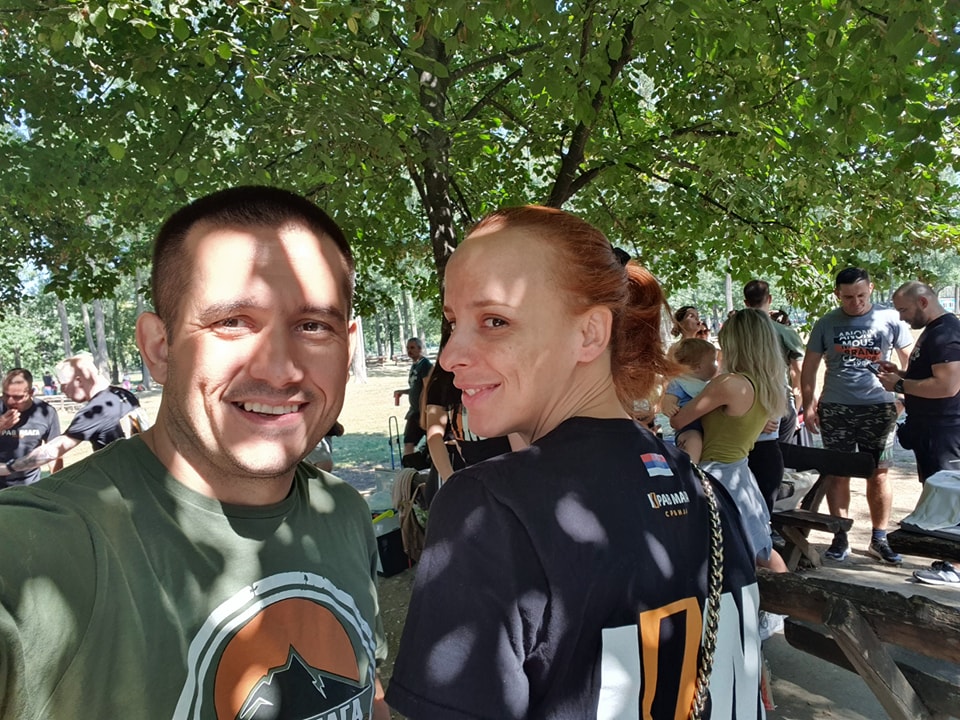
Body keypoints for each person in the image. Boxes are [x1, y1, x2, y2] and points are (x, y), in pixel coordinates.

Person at [0, 187, 389, 719]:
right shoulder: (43, 549)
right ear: (159, 348)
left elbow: (366, 691)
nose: (280, 369)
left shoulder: (341, 512)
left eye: (313, 326)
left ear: (349, 346)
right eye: (232, 322)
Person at [386, 206, 764, 719]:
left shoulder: (489, 508)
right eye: (453, 323)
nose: (450, 357)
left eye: (495, 321)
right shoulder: (707, 494)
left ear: (589, 334)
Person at [800, 267, 913, 565]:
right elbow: (809, 367)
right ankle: (841, 536)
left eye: (861, 295)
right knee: (838, 472)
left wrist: (903, 397)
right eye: (848, 297)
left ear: (871, 289)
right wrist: (809, 405)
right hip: (836, 407)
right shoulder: (826, 323)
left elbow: (910, 361)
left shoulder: (890, 319)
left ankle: (879, 538)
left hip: (879, 408)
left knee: (879, 472)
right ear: (837, 294)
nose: (856, 302)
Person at [671, 309, 789, 573]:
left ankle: (793, 596)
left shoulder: (728, 383)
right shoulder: (766, 383)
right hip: (740, 473)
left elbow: (678, 421)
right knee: (761, 551)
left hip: (716, 476)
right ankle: (792, 598)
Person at [0, 353, 144, 476]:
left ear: (79, 380)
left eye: (63, 384)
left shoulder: (96, 410)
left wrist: (8, 468)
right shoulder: (123, 395)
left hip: (124, 480)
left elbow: (53, 450)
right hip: (143, 472)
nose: (62, 390)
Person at [878, 281, 960, 482]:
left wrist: (898, 384)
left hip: (944, 433)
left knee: (944, 492)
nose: (901, 317)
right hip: (931, 431)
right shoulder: (935, 330)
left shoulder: (945, 334)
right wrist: (900, 373)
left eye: (903, 310)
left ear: (923, 302)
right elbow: (931, 375)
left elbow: (947, 386)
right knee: (934, 489)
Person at [743, 279, 806, 511]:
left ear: (745, 302)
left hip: (745, 401)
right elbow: (798, 374)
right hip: (779, 402)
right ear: (769, 299)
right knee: (777, 460)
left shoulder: (738, 331)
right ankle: (774, 513)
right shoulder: (784, 332)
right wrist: (797, 405)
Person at [0, 368, 62, 487]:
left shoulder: (46, 412)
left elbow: (55, 451)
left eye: (17, 397)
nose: (10, 401)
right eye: (6, 395)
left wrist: (57, 485)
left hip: (30, 484)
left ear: (31, 393)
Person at [661, 337, 718, 463]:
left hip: (708, 427)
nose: (716, 365)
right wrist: (669, 406)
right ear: (697, 367)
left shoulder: (709, 384)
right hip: (690, 426)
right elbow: (668, 399)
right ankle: (691, 469)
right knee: (693, 442)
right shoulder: (680, 382)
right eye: (713, 361)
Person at [393, 337, 433, 463]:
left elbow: (427, 388)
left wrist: (425, 411)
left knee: (432, 443)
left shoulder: (425, 364)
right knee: (408, 442)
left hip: (423, 412)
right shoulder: (415, 365)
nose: (409, 351)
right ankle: (408, 470)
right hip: (414, 411)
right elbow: (416, 388)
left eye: (412, 348)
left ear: (420, 349)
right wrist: (403, 392)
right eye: (407, 348)